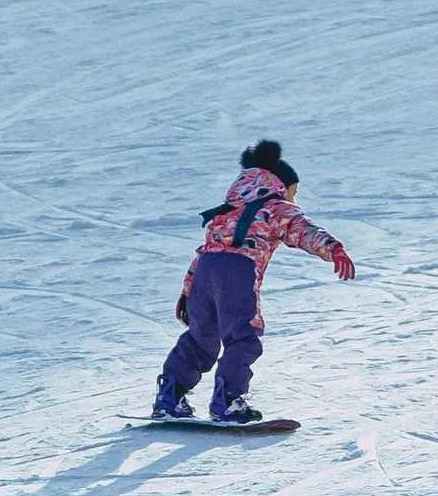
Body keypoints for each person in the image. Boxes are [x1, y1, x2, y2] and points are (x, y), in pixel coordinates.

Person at [153, 139, 356, 427]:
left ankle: (169, 396)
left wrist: (188, 293)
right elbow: (302, 229)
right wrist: (332, 247)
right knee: (243, 337)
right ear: (277, 185)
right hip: (237, 271)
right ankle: (228, 401)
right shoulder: (275, 207)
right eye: (293, 192)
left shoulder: (227, 210)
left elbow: (203, 253)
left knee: (200, 338)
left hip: (205, 273)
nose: (293, 199)